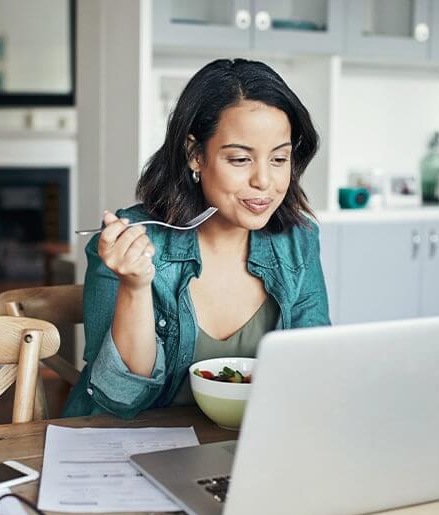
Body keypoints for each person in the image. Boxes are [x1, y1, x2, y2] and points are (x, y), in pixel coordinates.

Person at [63, 58, 330, 418]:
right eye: (240, 159)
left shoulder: (298, 241)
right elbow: (120, 398)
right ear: (195, 155)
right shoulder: (132, 242)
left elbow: (314, 370)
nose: (264, 181)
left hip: (241, 448)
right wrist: (135, 287)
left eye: (279, 159)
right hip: (129, 448)